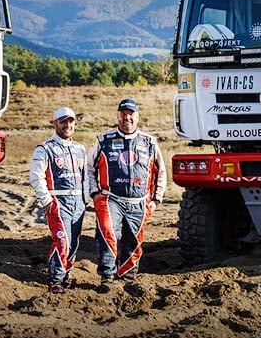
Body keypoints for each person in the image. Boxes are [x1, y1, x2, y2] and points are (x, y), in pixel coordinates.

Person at [87, 98, 166, 289]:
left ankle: (128, 277)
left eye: (131, 114)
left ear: (137, 117)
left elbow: (161, 171)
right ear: (117, 116)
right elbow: (89, 168)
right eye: (123, 114)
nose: (127, 118)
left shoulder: (149, 142)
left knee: (134, 240)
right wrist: (95, 192)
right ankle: (107, 275)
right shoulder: (103, 140)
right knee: (107, 233)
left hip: (139, 201)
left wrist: (156, 198)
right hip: (110, 198)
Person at [28, 106, 90, 294]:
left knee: (73, 243)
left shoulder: (80, 149)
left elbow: (86, 176)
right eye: (63, 121)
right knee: (62, 241)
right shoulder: (45, 148)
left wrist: (86, 198)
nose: (67, 125)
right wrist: (47, 200)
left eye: (71, 121)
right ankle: (55, 280)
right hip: (58, 201)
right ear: (55, 123)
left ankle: (66, 275)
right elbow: (36, 176)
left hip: (78, 202)